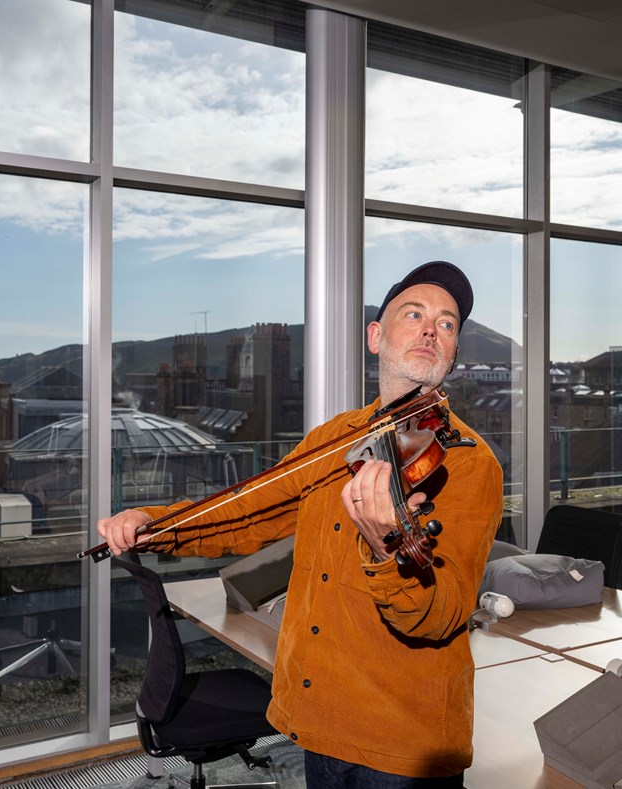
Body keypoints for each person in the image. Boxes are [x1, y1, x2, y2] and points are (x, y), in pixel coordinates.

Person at [97, 260, 504, 788]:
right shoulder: (332, 439)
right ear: (375, 337)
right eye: (414, 313)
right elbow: (250, 509)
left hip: (401, 743)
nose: (431, 328)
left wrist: (387, 549)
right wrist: (156, 523)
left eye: (447, 323)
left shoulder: (469, 464)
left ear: (451, 352)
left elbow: (439, 614)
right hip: (317, 716)